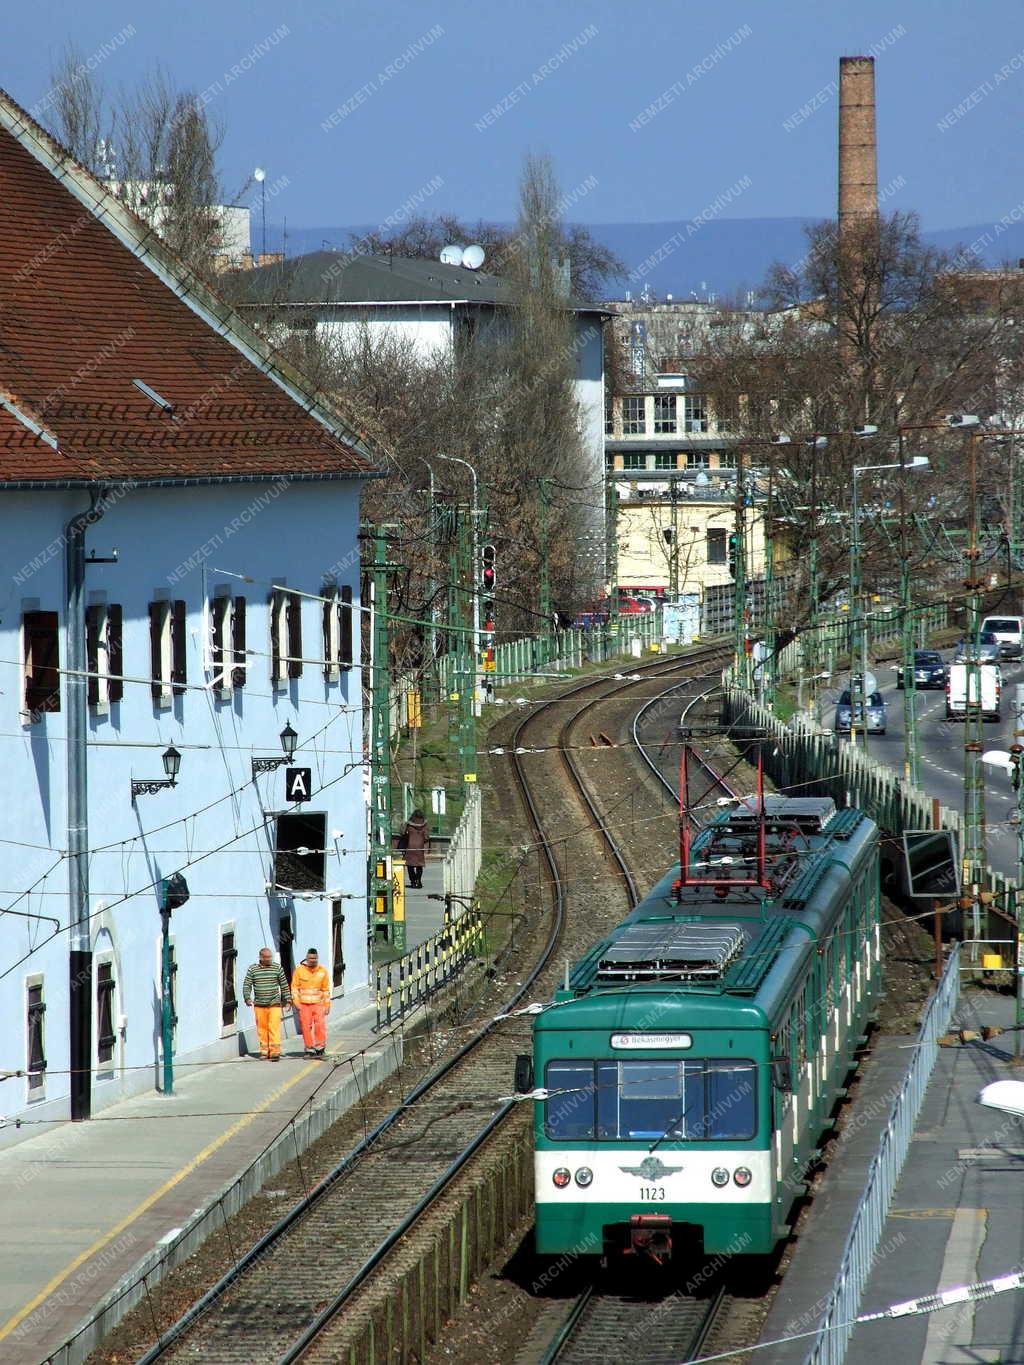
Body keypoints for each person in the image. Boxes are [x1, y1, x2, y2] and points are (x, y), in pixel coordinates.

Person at [242, 947, 291, 1060]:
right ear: (261, 957)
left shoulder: (277, 968)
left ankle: (275, 1052)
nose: (269, 959)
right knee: (262, 1029)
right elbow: (247, 984)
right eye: (267, 957)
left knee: (274, 1027)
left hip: (274, 1004)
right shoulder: (253, 969)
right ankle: (264, 1052)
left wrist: (288, 1000)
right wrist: (247, 998)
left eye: (270, 957)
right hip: (259, 1005)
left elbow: (284, 985)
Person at [291, 948, 331, 1057]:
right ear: (306, 958)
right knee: (305, 1027)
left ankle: (320, 1049)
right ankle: (309, 1049)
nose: (312, 960)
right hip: (304, 1005)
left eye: (314, 958)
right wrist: (296, 1003)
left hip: (318, 1004)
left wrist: (327, 1005)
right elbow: (294, 988)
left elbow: (325, 990)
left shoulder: (323, 971)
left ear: (317, 958)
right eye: (310, 958)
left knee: (320, 1026)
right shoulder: (299, 971)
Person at [399, 808, 430, 889]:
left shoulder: (409, 824)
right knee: (419, 866)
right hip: (420, 848)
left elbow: (403, 833)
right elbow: (426, 837)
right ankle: (418, 881)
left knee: (410, 866)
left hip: (410, 847)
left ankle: (413, 881)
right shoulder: (424, 825)